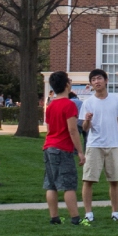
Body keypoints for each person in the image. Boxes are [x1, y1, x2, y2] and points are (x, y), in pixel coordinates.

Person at [78, 68, 118, 225]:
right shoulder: (88, 103)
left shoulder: (116, 100)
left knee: (114, 180)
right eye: (93, 80)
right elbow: (85, 128)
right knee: (88, 180)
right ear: (91, 84)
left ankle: (115, 211)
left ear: (106, 80)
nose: (96, 82)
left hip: (113, 145)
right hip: (94, 145)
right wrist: (87, 120)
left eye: (99, 78)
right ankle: (88, 213)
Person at [41, 72, 84, 224]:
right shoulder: (69, 104)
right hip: (62, 148)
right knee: (68, 185)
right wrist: (80, 151)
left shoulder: (51, 106)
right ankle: (75, 218)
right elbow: (73, 130)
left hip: (49, 147)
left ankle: (54, 217)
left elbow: (49, 129)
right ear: (66, 85)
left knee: (51, 184)